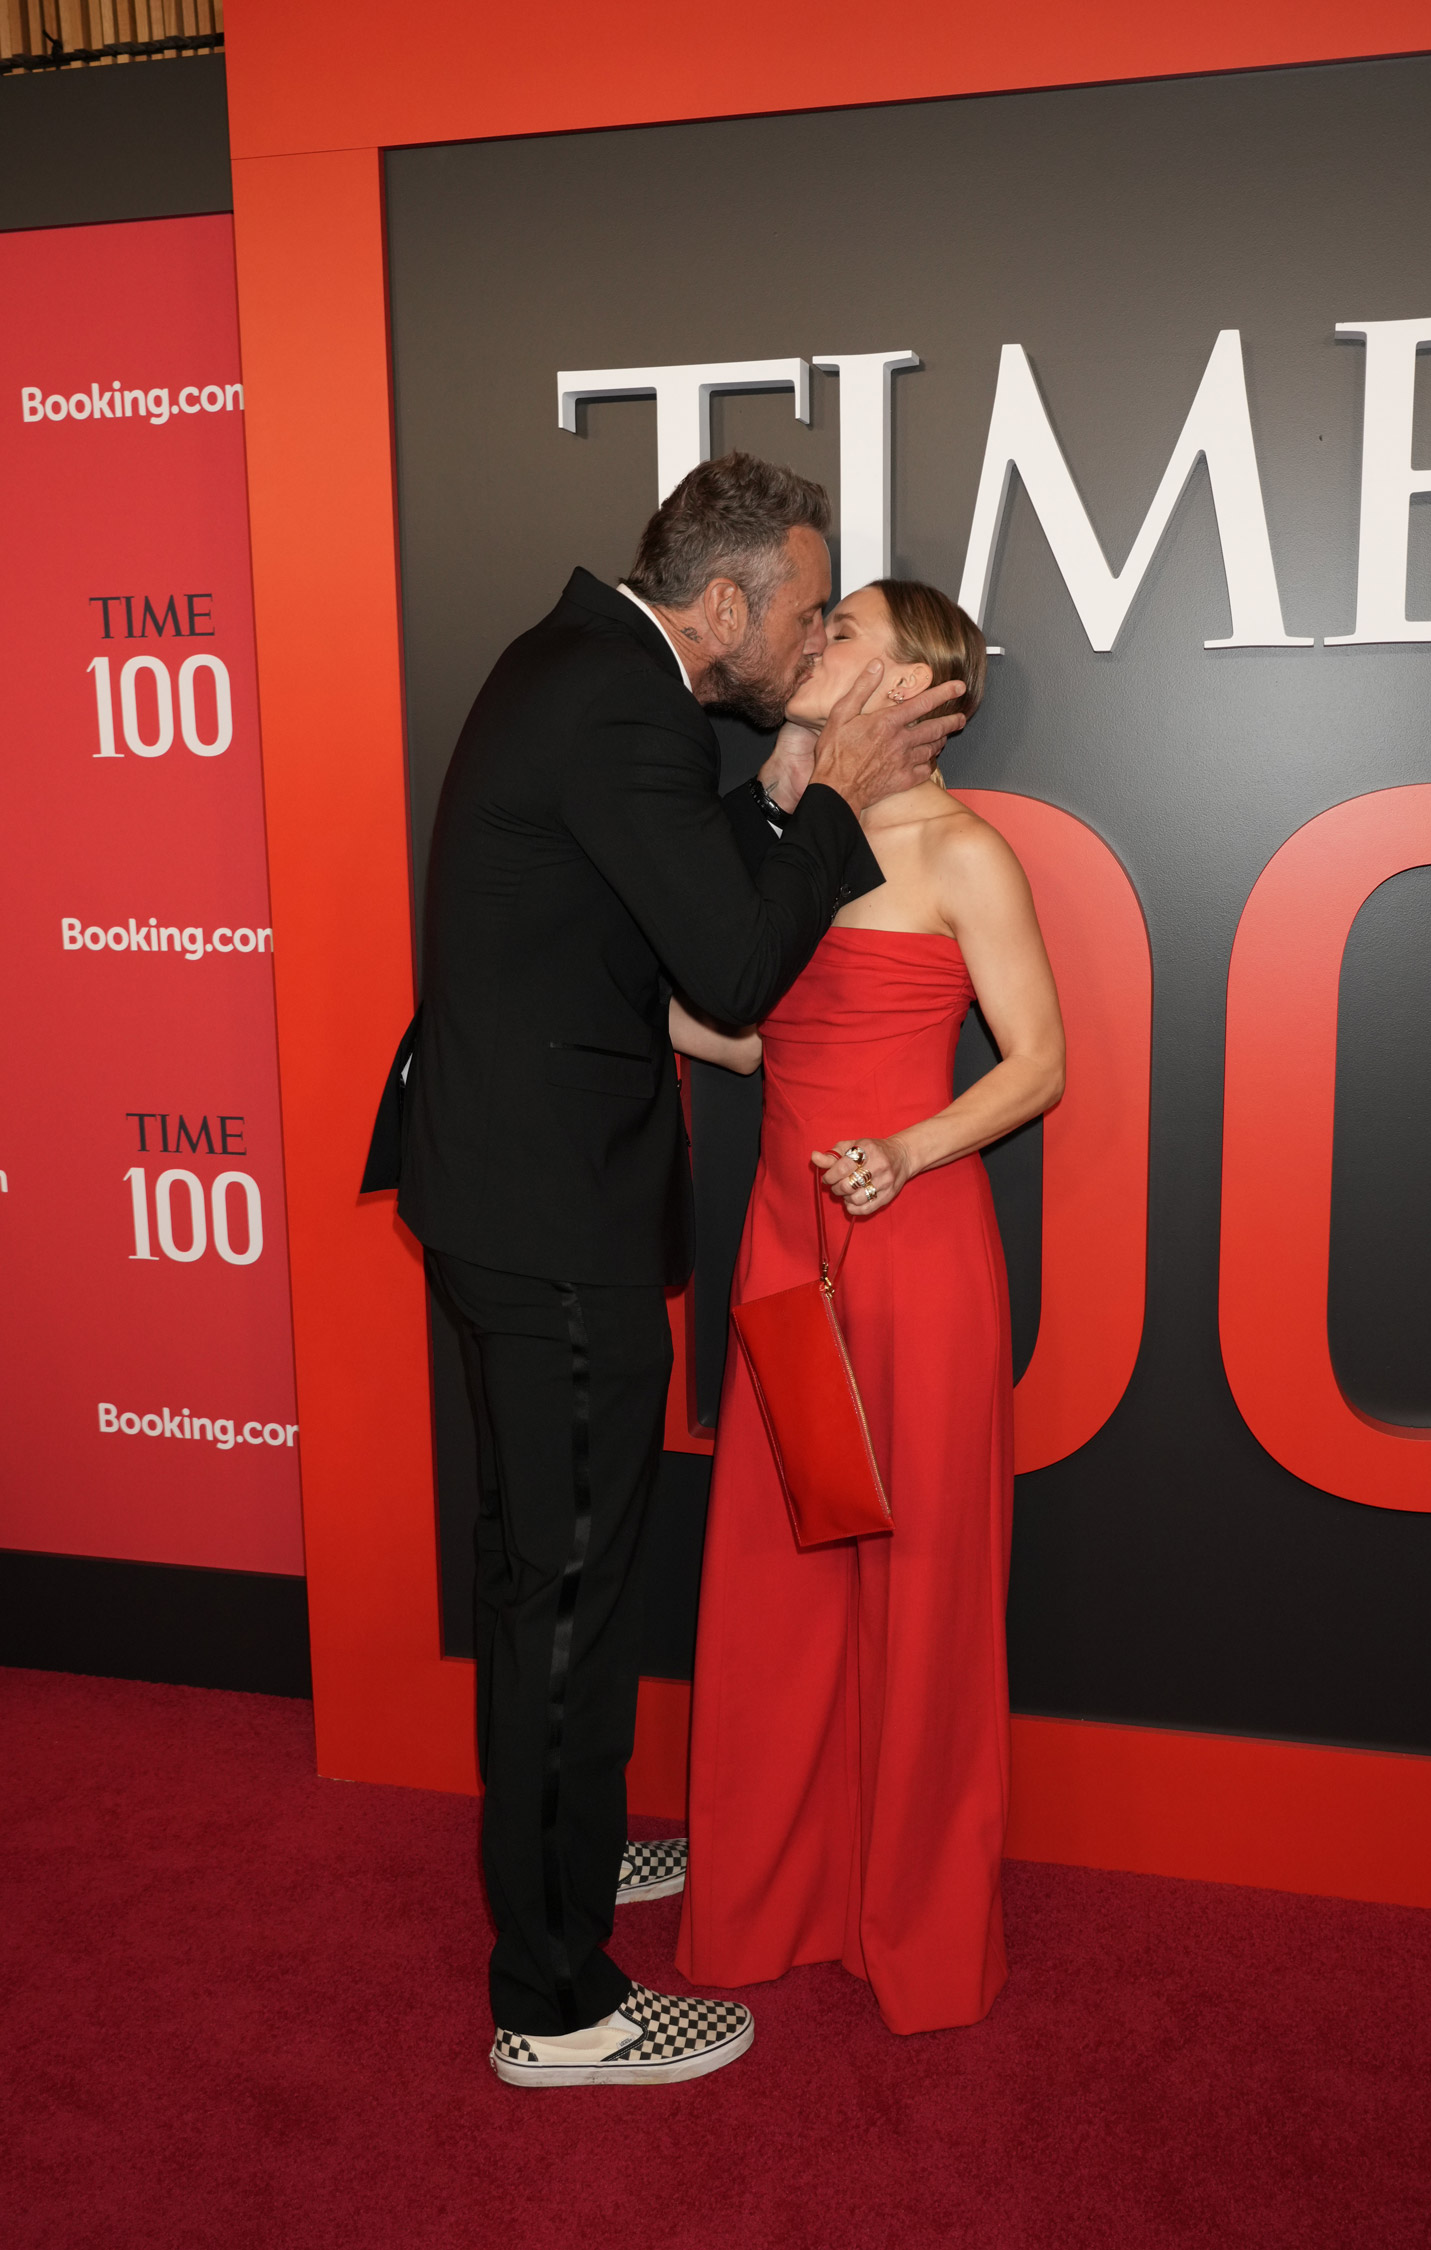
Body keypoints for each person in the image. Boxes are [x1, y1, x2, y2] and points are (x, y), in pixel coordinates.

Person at [381, 458, 969, 2087]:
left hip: (501, 1196)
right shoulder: (627, 705)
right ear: (725, 605)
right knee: (570, 1598)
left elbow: (646, 881)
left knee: (540, 1580)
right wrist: (835, 792)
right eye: (806, 610)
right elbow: (730, 964)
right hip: (552, 1222)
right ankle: (559, 2004)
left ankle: (559, 1845)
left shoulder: (583, 665)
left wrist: (778, 793)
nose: (811, 639)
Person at [672, 578, 1065, 2036]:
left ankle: (919, 1924)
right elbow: (751, 1038)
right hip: (788, 1253)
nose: (812, 643)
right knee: (776, 1586)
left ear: (914, 687)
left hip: (916, 1256)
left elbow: (1039, 1062)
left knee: (926, 1588)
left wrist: (909, 1149)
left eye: (844, 634)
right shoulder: (794, 842)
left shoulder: (966, 853)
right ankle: (769, 1900)